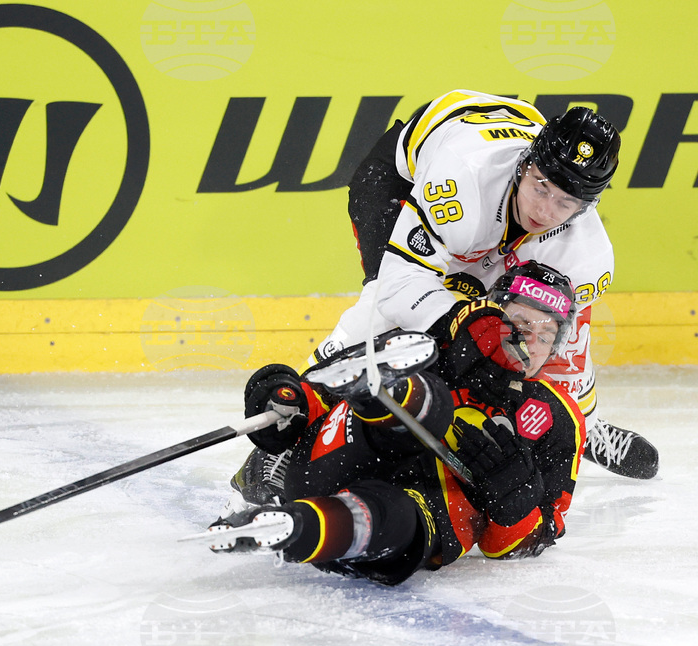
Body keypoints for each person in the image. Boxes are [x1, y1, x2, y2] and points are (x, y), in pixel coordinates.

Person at [312, 90, 657, 480]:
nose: (545, 211)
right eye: (541, 186)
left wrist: (573, 423)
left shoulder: (586, 255)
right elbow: (399, 285)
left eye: (565, 203)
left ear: (586, 207)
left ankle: (590, 429)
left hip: (485, 187)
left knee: (533, 321)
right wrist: (466, 325)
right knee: (384, 303)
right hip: (401, 178)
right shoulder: (461, 179)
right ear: (523, 164)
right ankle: (310, 412)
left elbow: (565, 350)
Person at [191, 261, 586, 586]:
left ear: (556, 344)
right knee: (425, 401)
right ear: (494, 314)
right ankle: (368, 403)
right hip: (342, 455)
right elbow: (324, 389)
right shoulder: (439, 341)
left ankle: (297, 527)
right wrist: (286, 396)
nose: (529, 340)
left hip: (394, 532)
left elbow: (527, 540)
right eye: (519, 322)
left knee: (416, 514)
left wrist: (513, 502)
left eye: (545, 333)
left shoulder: (559, 419)